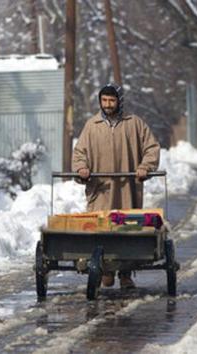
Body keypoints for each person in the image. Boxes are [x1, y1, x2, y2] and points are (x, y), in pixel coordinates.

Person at [72, 83, 160, 289]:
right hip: (100, 190)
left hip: (127, 189)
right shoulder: (91, 126)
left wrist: (145, 166)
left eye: (112, 100)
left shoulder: (134, 124)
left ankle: (126, 274)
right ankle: (105, 269)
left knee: (127, 229)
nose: (108, 105)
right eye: (104, 101)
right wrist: (81, 169)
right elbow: (79, 154)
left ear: (119, 101)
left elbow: (152, 147)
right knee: (101, 229)